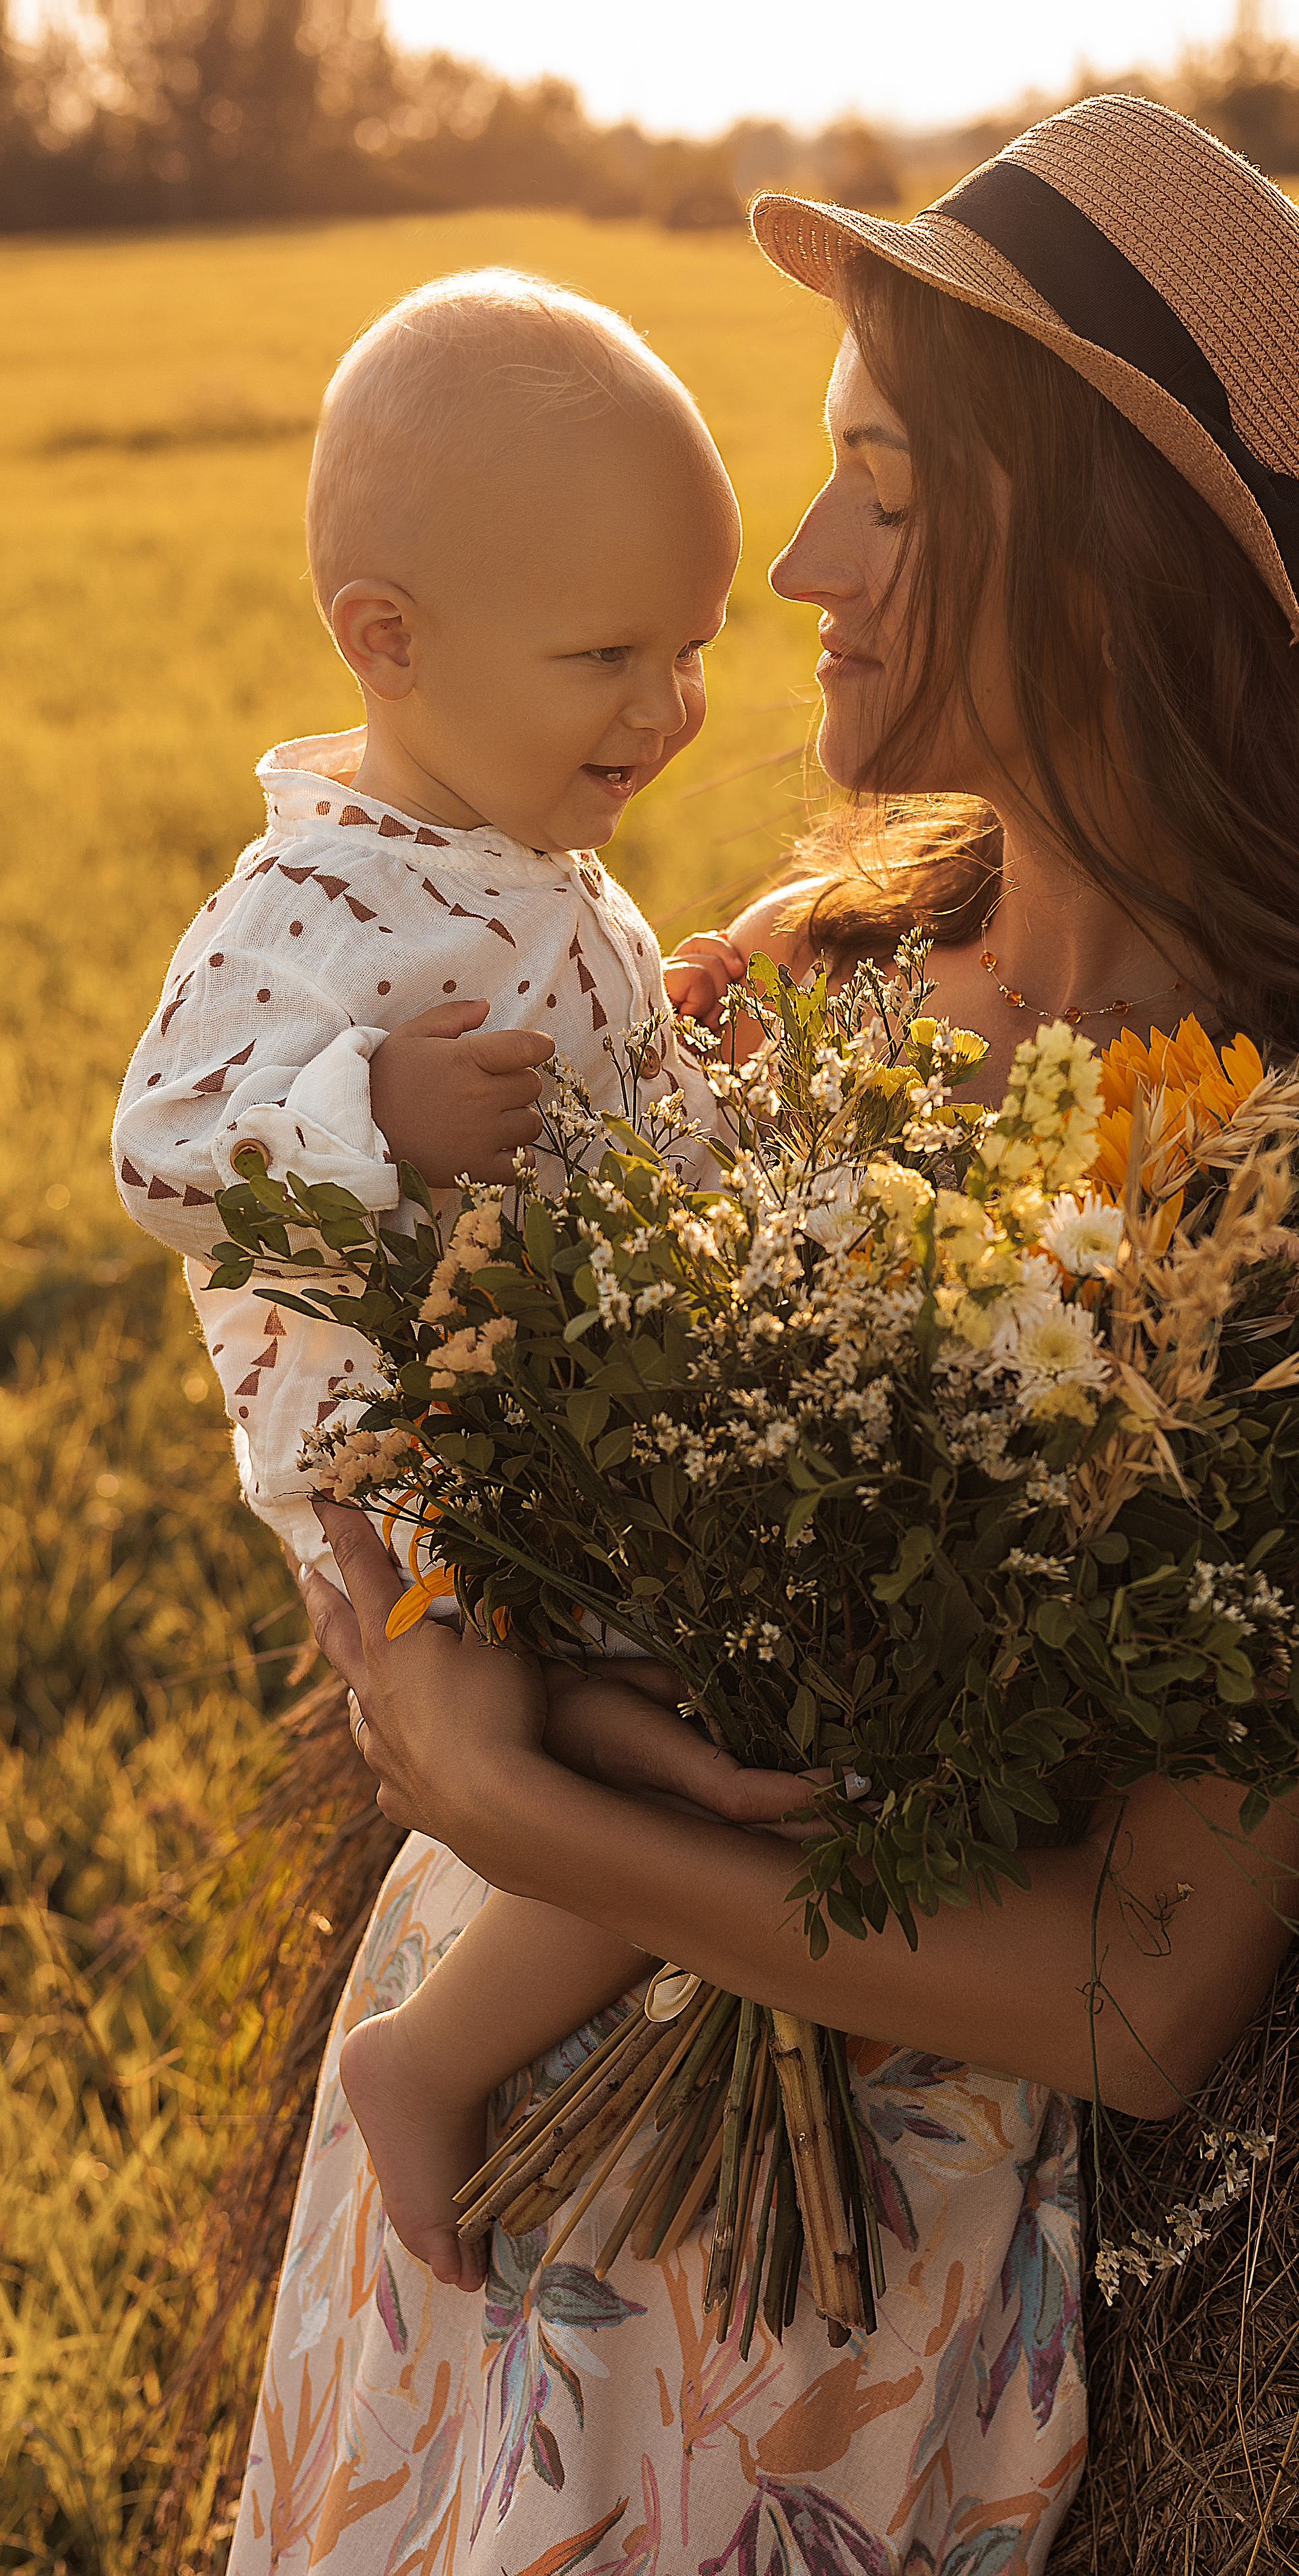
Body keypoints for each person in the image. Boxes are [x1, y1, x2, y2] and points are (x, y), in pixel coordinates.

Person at [226, 96, 1299, 2576]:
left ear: (1086, 549)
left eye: (881, 490)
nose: (794, 568)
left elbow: (1145, 1987)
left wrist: (518, 1803)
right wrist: (480, 1690)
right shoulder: (798, 992)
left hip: (804, 2330)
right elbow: (418, 1405)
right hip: (462, 2187)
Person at [109, 267, 766, 2296]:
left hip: (563, 1418)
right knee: (506, 1727)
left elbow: (643, 1132)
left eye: (693, 652)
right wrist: (359, 1106)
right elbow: (159, 1149)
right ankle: (422, 2059)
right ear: (387, 643)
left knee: (686, 1717)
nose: (666, 713)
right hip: (396, 1447)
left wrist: (735, 1132)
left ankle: (665, 1846)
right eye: (609, 657)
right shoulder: (303, 903)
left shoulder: (574, 893)